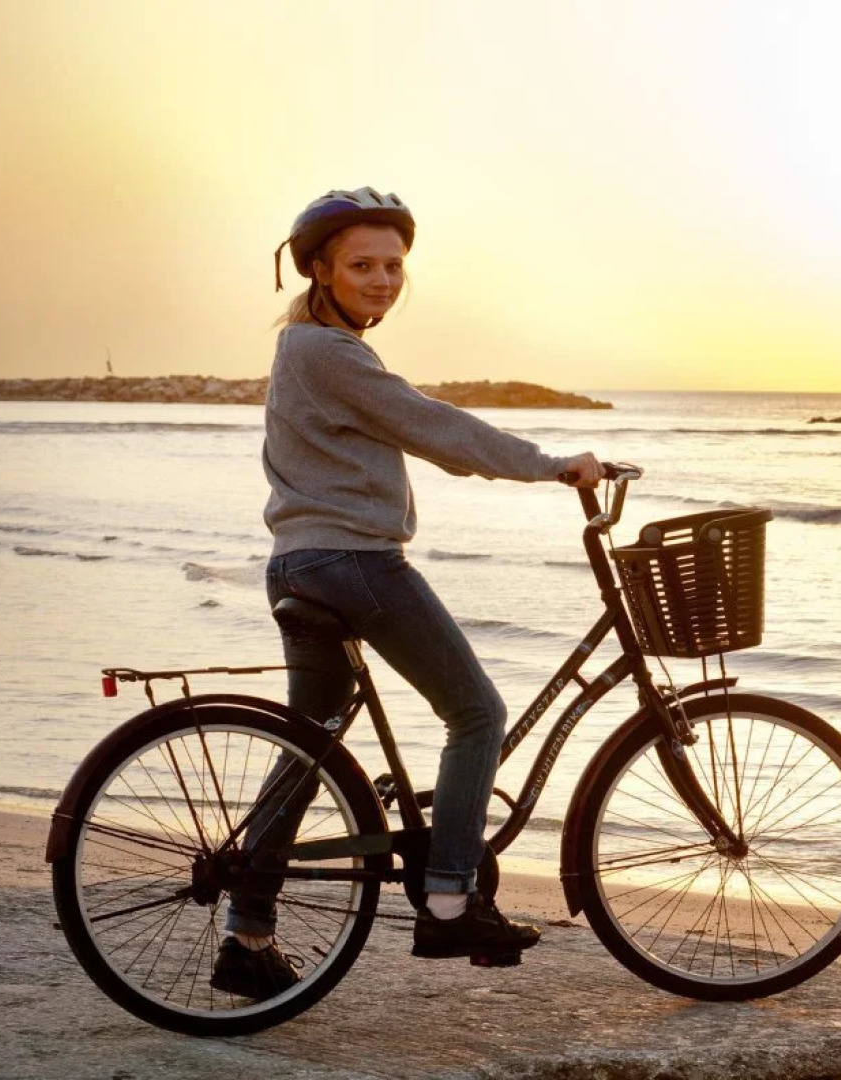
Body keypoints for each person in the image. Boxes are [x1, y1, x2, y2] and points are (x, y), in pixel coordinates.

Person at [212, 187, 601, 999]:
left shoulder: (309, 350)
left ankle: (248, 938)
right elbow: (433, 424)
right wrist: (549, 462)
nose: (383, 279)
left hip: (299, 562)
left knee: (306, 747)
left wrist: (493, 457)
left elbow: (427, 434)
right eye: (362, 264)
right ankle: (452, 900)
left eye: (393, 265)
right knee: (476, 714)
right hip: (354, 563)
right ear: (318, 268)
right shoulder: (328, 353)